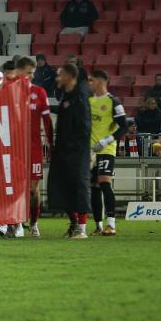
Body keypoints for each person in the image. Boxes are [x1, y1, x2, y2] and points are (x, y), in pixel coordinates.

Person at [47, 62, 92, 239]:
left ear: (69, 76)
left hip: (77, 152)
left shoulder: (81, 95)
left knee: (78, 186)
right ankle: (73, 223)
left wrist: (74, 148)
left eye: (60, 74)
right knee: (62, 186)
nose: (58, 78)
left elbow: (84, 127)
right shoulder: (68, 94)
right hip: (64, 149)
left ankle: (82, 228)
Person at [86, 70, 127, 237]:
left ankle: (111, 224)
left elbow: (123, 126)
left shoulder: (113, 101)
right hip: (90, 151)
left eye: (92, 80)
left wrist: (107, 140)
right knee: (93, 186)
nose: (89, 83)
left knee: (104, 182)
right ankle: (98, 225)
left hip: (106, 149)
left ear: (101, 81)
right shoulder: (89, 101)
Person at [16, 57, 53, 238]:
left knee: (32, 189)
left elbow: (47, 121)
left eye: (32, 73)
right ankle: (14, 224)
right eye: (28, 73)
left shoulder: (39, 92)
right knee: (15, 188)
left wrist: (51, 145)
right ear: (18, 72)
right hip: (14, 149)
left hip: (34, 148)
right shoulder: (9, 92)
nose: (31, 76)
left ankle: (34, 223)